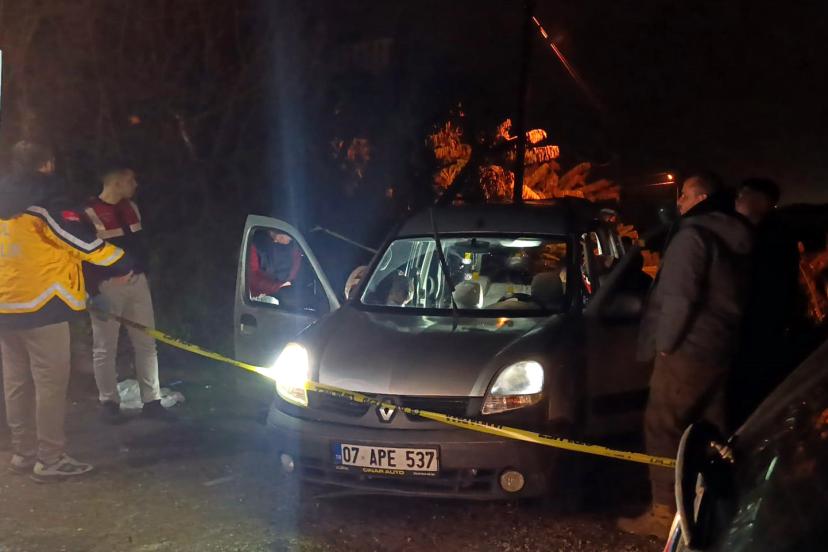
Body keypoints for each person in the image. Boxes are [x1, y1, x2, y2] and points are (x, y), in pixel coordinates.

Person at [618, 172, 753, 536]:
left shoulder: (692, 236)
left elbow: (680, 297)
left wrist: (665, 344)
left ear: (701, 198)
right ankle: (715, 509)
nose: (678, 203)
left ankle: (664, 514)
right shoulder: (736, 235)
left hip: (687, 348)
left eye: (685, 196)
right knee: (712, 430)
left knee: (663, 426)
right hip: (719, 345)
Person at [0, 141, 132, 481]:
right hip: (44, 304)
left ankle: (23, 453)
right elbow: (79, 242)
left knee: (16, 382)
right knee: (50, 383)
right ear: (46, 164)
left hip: (6, 305)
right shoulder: (46, 200)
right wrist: (122, 261)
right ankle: (51, 458)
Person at [84, 165, 172, 423]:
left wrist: (141, 272)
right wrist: (93, 290)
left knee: (147, 343)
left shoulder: (131, 207)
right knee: (105, 347)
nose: (135, 184)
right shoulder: (88, 212)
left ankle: (152, 401)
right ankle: (109, 403)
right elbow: (83, 257)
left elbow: (140, 245)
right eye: (131, 180)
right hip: (107, 286)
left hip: (137, 282)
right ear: (117, 183)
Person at [730, 178, 802, 427]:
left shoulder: (772, 236)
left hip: (761, 326)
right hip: (752, 325)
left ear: (761, 201)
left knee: (756, 391)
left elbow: (774, 286)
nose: (737, 198)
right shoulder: (749, 231)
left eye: (744, 194)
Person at [248, 230, 302, 301]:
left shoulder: (294, 248)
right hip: (259, 295)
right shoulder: (256, 243)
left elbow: (293, 273)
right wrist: (277, 287)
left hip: (282, 291)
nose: (291, 240)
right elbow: (251, 277)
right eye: (289, 238)